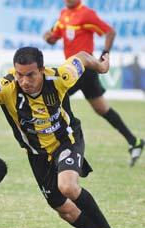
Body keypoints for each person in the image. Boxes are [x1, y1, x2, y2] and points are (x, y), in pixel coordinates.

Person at [0, 46, 125, 228]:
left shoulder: (61, 76)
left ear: (42, 70)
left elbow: (81, 57)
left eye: (30, 75)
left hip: (67, 140)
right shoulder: (5, 87)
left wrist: (100, 67)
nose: (24, 81)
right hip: (37, 154)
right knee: (65, 210)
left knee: (68, 186)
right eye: (20, 75)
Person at [43, 0, 143, 167]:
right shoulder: (63, 15)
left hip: (84, 69)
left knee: (55, 98)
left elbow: (110, 32)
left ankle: (65, 146)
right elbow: (54, 38)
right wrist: (48, 37)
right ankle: (135, 141)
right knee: (101, 108)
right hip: (73, 70)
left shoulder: (86, 13)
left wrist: (105, 54)